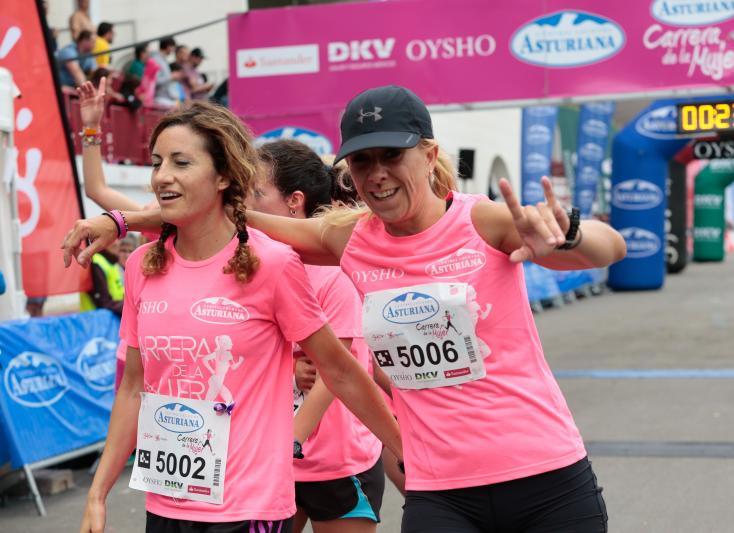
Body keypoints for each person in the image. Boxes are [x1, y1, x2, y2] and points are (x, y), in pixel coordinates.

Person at [63, 85, 626, 532]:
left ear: (429, 155)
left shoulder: (484, 222)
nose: (376, 173)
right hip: (441, 489)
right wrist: (118, 219)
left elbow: (610, 249)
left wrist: (568, 231)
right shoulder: (348, 240)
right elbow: (222, 215)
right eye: (361, 161)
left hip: (544, 472)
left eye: (391, 155)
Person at [73, 101, 401, 533]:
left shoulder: (275, 263)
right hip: (168, 503)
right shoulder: (142, 267)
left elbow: (341, 371)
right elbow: (134, 388)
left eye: (181, 162)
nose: (162, 175)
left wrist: (409, 451)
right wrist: (97, 495)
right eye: (157, 162)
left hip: (250, 505)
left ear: (225, 176)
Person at [250, 140, 384, 533]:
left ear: (294, 201)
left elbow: (334, 372)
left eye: (256, 192)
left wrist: (289, 441)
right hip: (269, 463)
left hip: (336, 463)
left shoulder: (332, 273)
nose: (242, 202)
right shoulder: (249, 268)